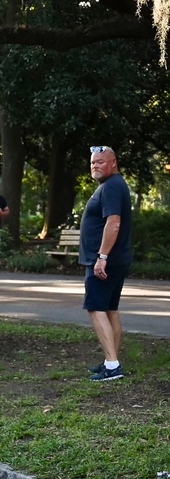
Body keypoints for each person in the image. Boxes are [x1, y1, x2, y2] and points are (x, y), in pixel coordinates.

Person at [79, 145, 133, 381]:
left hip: (104, 261)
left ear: (113, 162)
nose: (95, 165)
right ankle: (111, 361)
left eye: (100, 161)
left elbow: (114, 223)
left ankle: (112, 366)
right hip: (113, 259)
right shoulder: (113, 185)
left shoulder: (111, 186)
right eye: (92, 162)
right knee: (110, 309)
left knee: (96, 308)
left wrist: (102, 257)